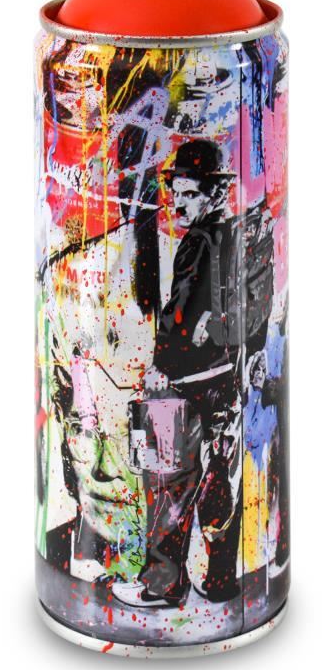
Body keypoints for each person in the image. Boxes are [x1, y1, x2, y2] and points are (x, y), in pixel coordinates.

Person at [112, 139, 243, 608]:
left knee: (170, 484)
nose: (178, 203)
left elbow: (180, 313)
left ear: (212, 193)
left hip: (186, 384)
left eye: (189, 194)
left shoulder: (197, 242)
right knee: (220, 482)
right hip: (224, 379)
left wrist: (159, 366)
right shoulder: (231, 233)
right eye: (176, 192)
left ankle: (163, 586)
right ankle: (222, 579)